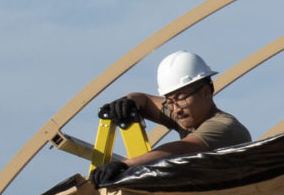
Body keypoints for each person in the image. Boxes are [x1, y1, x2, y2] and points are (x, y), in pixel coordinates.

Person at [104, 50, 253, 171]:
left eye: (180, 98)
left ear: (206, 92)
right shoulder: (186, 114)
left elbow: (181, 149)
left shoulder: (224, 126)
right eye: (169, 101)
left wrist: (126, 165)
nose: (175, 110)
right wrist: (129, 101)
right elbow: (145, 99)